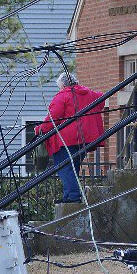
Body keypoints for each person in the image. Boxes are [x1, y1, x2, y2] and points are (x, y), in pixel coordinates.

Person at [36, 73, 105, 204]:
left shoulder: (62, 96)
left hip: (66, 140)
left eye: (60, 87)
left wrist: (39, 130)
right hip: (86, 139)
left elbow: (53, 119)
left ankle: (72, 196)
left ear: (63, 85)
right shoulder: (90, 94)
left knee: (65, 167)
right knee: (74, 167)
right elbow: (101, 98)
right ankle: (68, 195)